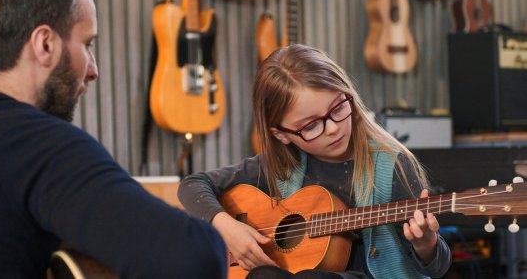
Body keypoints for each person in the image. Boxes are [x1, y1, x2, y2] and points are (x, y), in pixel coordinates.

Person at [0, 0, 226, 278]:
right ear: (45, 44)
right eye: (86, 44)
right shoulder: (34, 143)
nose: (93, 70)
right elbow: (195, 256)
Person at [178, 44, 452, 278]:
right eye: (310, 126)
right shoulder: (281, 166)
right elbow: (192, 185)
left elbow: (439, 266)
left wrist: (426, 243)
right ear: (281, 135)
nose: (332, 128)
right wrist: (227, 226)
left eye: (338, 108)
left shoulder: (391, 167)